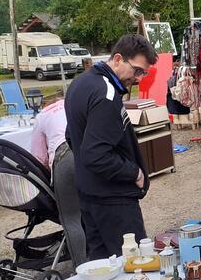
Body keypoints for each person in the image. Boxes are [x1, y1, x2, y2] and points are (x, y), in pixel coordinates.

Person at [64, 34, 157, 259]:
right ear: (117, 59)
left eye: (144, 73)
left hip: (90, 196)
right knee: (133, 268)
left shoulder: (80, 83)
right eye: (137, 71)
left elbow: (71, 136)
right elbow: (95, 154)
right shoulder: (105, 95)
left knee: (102, 268)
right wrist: (134, 172)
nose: (139, 79)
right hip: (114, 200)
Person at [30, 91, 87, 267]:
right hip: (90, 152)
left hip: (65, 156)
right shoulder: (76, 104)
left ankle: (82, 267)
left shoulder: (43, 116)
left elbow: (38, 158)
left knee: (71, 218)